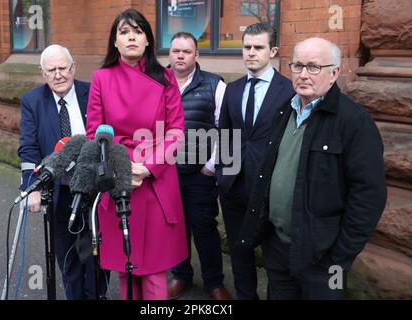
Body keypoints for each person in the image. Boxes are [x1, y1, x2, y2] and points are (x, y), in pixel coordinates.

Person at [237, 37, 387, 299]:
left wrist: (339, 257)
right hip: (279, 249)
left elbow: (369, 197)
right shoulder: (284, 111)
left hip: (327, 260)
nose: (303, 74)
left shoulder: (354, 121)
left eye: (314, 67)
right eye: (297, 66)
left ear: (334, 73)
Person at [85, 9, 188, 300]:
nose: (131, 36)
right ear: (114, 42)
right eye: (124, 31)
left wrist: (148, 166)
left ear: (147, 41)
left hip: (156, 181)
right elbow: (96, 130)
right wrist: (125, 163)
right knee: (125, 270)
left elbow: (176, 132)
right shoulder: (101, 78)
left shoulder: (166, 78)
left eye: (138, 31)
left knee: (155, 273)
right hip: (119, 178)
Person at [18, 44, 106, 299]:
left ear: (73, 68)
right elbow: (28, 148)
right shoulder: (32, 101)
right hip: (59, 191)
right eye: (51, 70)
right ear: (42, 73)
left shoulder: (93, 93)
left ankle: (96, 295)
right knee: (68, 258)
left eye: (63, 68)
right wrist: (31, 187)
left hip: (95, 191)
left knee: (97, 256)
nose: (58, 75)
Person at [217, 22, 295, 300]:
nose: (251, 52)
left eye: (258, 47)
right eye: (247, 46)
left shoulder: (290, 91)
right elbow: (225, 134)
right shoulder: (233, 89)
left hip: (272, 192)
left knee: (275, 260)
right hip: (234, 188)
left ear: (272, 51)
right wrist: (222, 177)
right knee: (240, 255)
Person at [166, 32, 233, 300]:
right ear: (169, 54)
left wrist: (211, 167)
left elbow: (226, 128)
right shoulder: (157, 82)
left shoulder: (215, 85)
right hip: (166, 172)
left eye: (187, 51)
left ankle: (214, 282)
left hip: (200, 175)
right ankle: (181, 276)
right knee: (174, 228)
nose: (180, 56)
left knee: (205, 229)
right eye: (176, 51)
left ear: (197, 55)